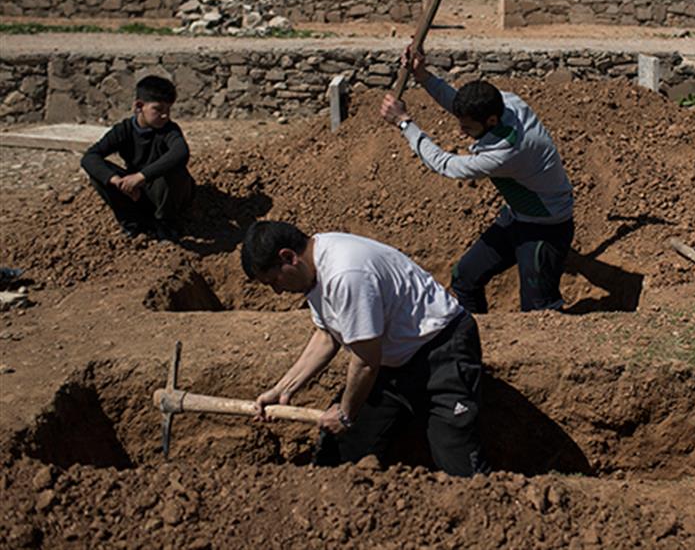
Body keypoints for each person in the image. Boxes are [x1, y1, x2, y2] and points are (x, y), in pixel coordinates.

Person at [245, 220, 489, 477]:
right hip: (392, 361)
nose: (278, 291)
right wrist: (283, 390)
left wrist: (346, 415)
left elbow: (365, 361)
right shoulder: (313, 268)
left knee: (457, 461)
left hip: (441, 351)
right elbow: (327, 336)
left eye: (274, 281)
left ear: (288, 257)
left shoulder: (345, 273)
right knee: (337, 451)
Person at [380, 48, 575, 314]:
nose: (461, 132)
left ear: (491, 120)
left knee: (538, 311)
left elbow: (444, 163)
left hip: (546, 229)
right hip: (517, 217)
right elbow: (458, 103)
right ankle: (477, 339)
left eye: (468, 128)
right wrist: (422, 75)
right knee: (464, 278)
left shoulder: (507, 152)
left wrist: (404, 123)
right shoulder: (507, 103)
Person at [81, 75, 193, 241]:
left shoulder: (169, 130)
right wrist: (116, 181)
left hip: (163, 193)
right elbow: (90, 157)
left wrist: (141, 177)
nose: (165, 116)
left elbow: (181, 152)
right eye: (158, 109)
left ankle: (165, 223)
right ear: (139, 106)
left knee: (173, 170)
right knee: (100, 174)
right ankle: (133, 224)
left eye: (168, 110)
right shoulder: (123, 130)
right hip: (136, 193)